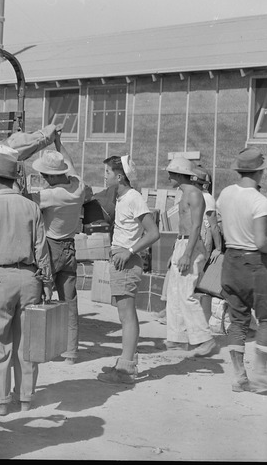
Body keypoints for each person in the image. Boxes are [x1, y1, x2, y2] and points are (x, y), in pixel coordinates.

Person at [0, 152, 51, 416]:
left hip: (0, 279)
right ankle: (25, 397)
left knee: (0, 342)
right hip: (30, 279)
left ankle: (0, 401)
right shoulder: (31, 207)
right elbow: (41, 248)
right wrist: (47, 281)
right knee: (28, 342)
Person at [216, 148, 267, 393]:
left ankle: (239, 376)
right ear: (260, 171)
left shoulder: (225, 194)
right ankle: (260, 372)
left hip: (230, 262)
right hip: (253, 263)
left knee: (237, 321)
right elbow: (260, 241)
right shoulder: (259, 200)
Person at [97, 155, 160, 385]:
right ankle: (127, 363)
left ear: (119, 176)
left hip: (127, 262)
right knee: (126, 315)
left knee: (127, 317)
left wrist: (129, 251)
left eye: (107, 172)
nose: (104, 176)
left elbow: (153, 233)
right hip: (121, 260)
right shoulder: (122, 197)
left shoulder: (133, 198)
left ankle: (126, 370)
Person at [31, 132, 88, 365]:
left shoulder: (51, 195)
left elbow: (23, 200)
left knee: (39, 295)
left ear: (51, 177)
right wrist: (58, 143)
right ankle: (71, 351)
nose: (43, 178)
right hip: (69, 247)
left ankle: (40, 345)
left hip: (51, 247)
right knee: (70, 301)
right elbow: (71, 164)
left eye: (44, 175)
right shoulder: (77, 186)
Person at [163, 158, 217, 356]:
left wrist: (186, 254)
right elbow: (184, 226)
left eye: (171, 173)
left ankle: (205, 338)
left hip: (190, 245)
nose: (168, 177)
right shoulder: (185, 193)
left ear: (178, 174)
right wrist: (175, 252)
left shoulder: (194, 194)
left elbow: (196, 226)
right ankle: (177, 338)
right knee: (174, 292)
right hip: (183, 242)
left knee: (185, 293)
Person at [191, 165, 223, 323]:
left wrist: (218, 248)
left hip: (204, 237)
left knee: (200, 275)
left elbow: (214, 226)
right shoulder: (193, 195)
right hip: (196, 236)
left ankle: (203, 317)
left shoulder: (207, 198)